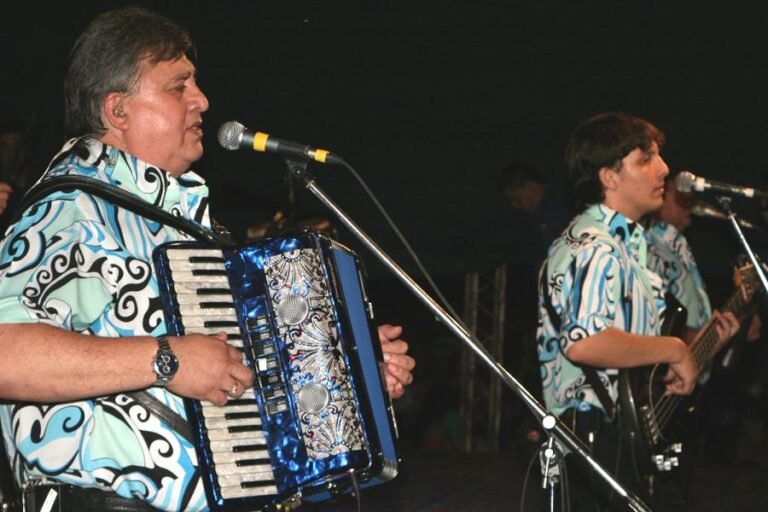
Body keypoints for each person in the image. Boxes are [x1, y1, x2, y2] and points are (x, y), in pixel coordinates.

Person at [0, 7, 414, 512]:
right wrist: (166, 360)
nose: (202, 101)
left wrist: (349, 373)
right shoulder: (73, 212)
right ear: (118, 110)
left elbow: (234, 379)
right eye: (179, 87)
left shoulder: (182, 225)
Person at [536, 112, 741, 511]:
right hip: (595, 435)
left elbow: (643, 352)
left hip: (620, 433)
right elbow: (585, 343)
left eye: (659, 157)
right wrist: (674, 350)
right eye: (645, 159)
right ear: (608, 177)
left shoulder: (628, 247)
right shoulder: (595, 247)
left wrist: (698, 347)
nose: (664, 169)